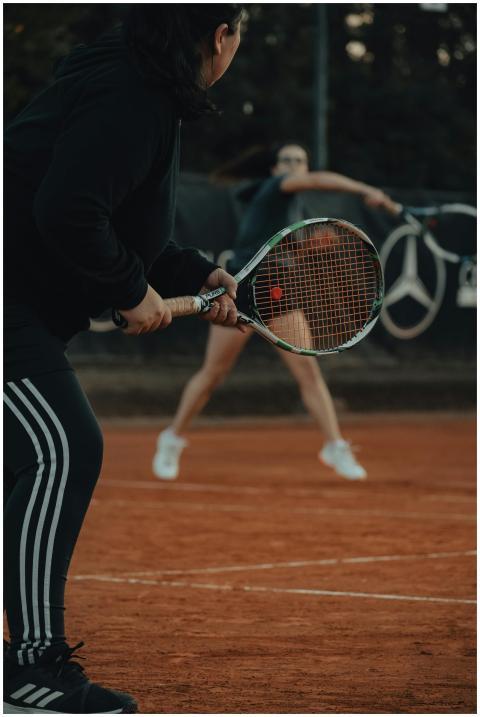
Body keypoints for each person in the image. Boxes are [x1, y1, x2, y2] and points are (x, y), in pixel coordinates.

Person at [3, 5, 244, 714]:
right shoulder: (134, 96)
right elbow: (68, 209)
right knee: (62, 449)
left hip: (22, 300)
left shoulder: (136, 85)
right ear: (221, 37)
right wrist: (129, 289)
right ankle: (34, 668)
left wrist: (194, 275)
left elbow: (118, 222)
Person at [153, 142, 397, 482]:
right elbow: (316, 181)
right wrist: (366, 189)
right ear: (275, 169)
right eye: (287, 160)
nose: (294, 166)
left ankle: (334, 446)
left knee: (308, 374)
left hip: (278, 293)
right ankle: (172, 438)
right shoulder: (274, 187)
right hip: (242, 291)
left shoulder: (290, 209)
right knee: (213, 374)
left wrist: (311, 246)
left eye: (300, 161)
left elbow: (283, 248)